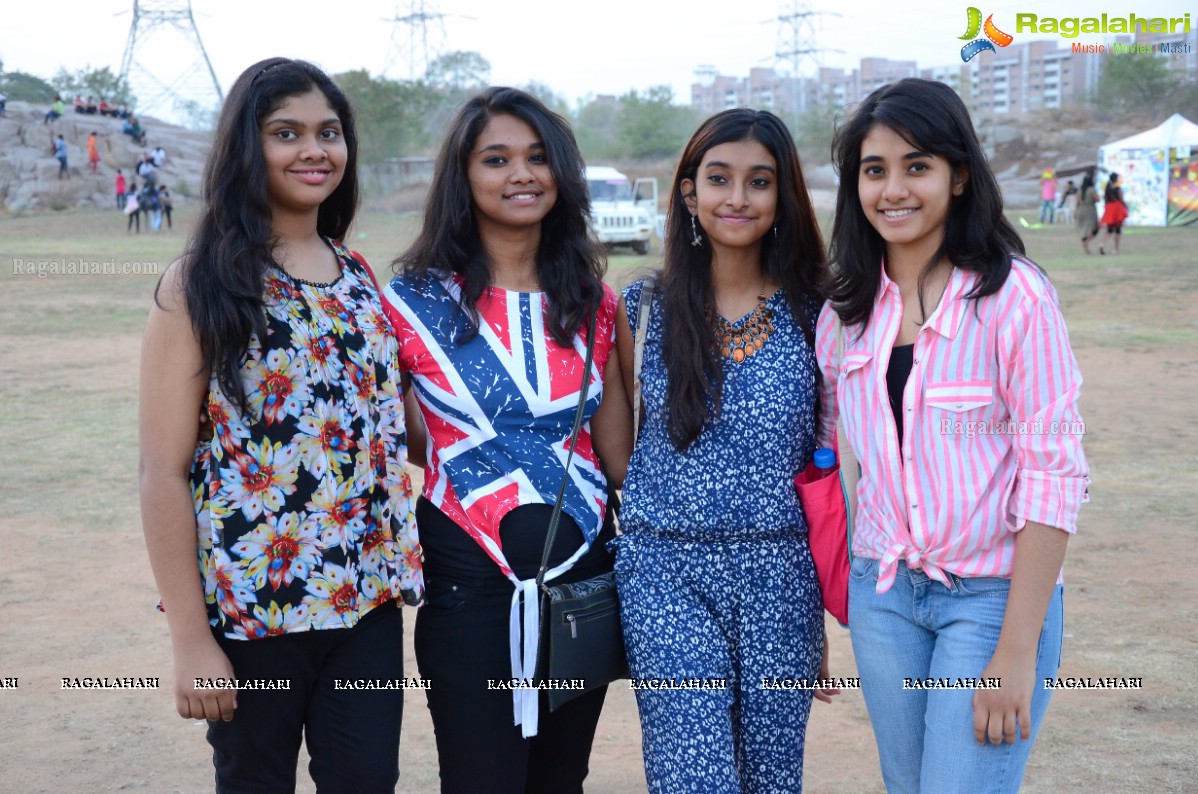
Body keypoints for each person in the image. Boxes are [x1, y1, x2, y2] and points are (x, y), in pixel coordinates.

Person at [138, 57, 423, 793]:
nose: (314, 150)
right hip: (252, 614)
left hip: (365, 608)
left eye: (329, 132)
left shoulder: (360, 275)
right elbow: (162, 473)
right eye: (285, 133)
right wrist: (191, 641)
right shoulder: (199, 282)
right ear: (246, 147)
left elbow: (394, 425)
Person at [821, 77, 1089, 794]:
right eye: (874, 170)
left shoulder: (1014, 299)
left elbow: (1054, 474)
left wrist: (1016, 649)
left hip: (992, 599)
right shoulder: (843, 314)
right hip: (885, 600)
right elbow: (825, 456)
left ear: (959, 175)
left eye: (917, 166)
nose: (893, 189)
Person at [380, 86, 630, 794]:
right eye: (496, 159)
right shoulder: (408, 305)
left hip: (580, 591)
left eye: (538, 157)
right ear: (464, 178)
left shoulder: (596, 302)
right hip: (467, 595)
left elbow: (616, 459)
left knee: (560, 783)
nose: (521, 174)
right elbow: (399, 437)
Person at [614, 108, 832, 792]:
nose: (737, 198)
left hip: (782, 575)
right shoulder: (640, 307)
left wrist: (821, 610)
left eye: (759, 181)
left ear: (783, 195)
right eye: (718, 179)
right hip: (664, 571)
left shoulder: (819, 311)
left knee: (773, 779)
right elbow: (624, 452)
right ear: (687, 193)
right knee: (693, 777)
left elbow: (831, 461)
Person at [1099, 172, 1128, 255]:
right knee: (1118, 230)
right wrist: (1125, 207)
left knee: (1109, 230)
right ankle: (1116, 248)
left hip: (1109, 209)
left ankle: (1102, 244)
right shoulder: (1118, 189)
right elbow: (1121, 199)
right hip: (1117, 210)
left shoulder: (1107, 189)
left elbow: (1105, 199)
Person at [1076, 171, 1100, 254]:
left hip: (1081, 209)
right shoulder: (1092, 190)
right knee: (1094, 228)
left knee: (1085, 228)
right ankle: (1086, 242)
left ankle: (1085, 241)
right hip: (1090, 210)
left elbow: (1078, 201)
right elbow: (1097, 199)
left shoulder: (1080, 191)